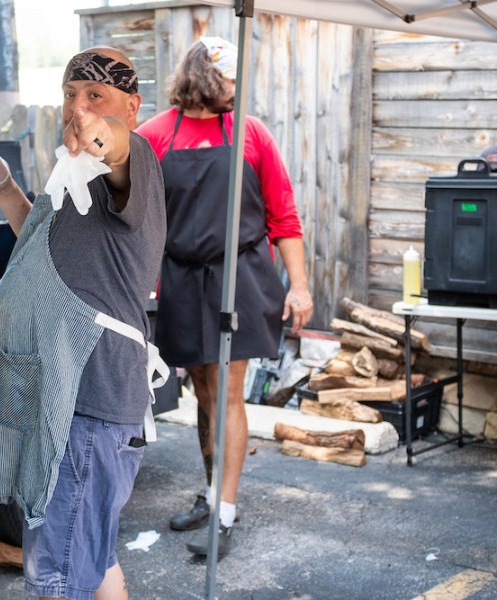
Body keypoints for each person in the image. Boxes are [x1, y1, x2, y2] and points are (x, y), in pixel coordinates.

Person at [0, 47, 167, 600]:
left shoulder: (133, 161)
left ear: (132, 106)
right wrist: (5, 190)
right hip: (63, 392)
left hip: (91, 393)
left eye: (96, 95)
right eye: (71, 94)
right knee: (91, 555)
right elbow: (39, 245)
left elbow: (118, 146)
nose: (79, 106)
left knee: (59, 573)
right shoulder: (70, 174)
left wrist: (103, 134)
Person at [136, 36, 314, 557]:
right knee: (205, 393)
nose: (237, 87)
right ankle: (214, 493)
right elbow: (129, 207)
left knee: (230, 391)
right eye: (230, 77)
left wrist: (298, 285)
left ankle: (225, 514)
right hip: (182, 279)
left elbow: (284, 215)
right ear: (204, 76)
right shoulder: (154, 137)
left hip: (240, 275)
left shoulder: (250, 133)